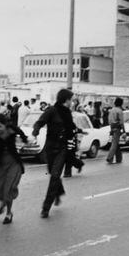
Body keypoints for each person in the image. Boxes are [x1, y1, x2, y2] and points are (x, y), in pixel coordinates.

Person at [32, 89, 77, 219]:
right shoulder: (52, 110)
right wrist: (35, 133)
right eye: (71, 99)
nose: (72, 102)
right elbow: (40, 122)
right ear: (66, 99)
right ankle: (59, 192)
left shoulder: (68, 113)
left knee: (55, 175)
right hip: (50, 148)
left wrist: (77, 131)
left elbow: (70, 127)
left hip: (62, 148)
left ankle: (45, 208)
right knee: (53, 174)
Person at [0, 114, 27, 224]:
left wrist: (24, 139)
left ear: (5, 125)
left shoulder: (11, 130)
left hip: (13, 164)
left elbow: (20, 131)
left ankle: (8, 213)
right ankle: (3, 202)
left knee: (8, 190)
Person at [106, 98, 125, 164]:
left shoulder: (112, 110)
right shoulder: (119, 111)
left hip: (112, 127)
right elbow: (121, 122)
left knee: (116, 143)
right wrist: (124, 131)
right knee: (114, 144)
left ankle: (119, 158)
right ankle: (109, 157)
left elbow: (109, 120)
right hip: (117, 128)